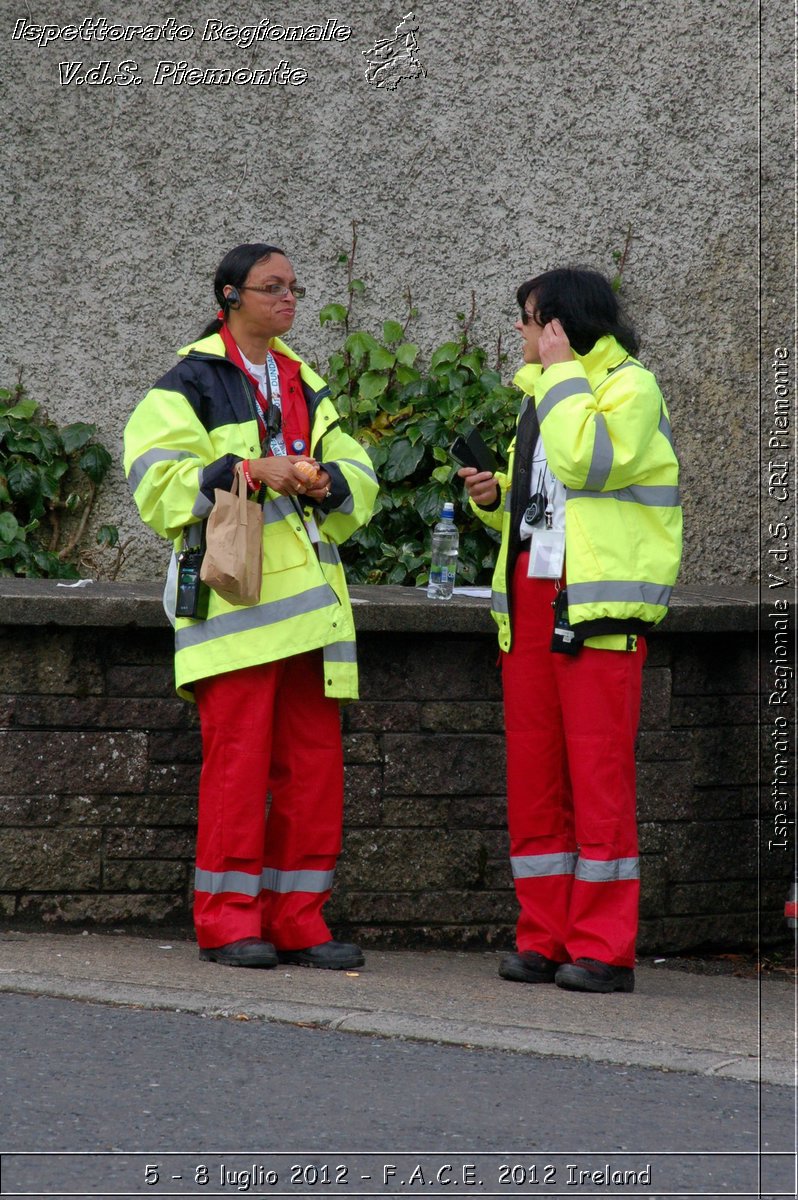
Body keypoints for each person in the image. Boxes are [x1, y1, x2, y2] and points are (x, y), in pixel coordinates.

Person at [124, 242, 378, 970]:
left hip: (310, 614)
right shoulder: (191, 380)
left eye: (294, 287)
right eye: (273, 287)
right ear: (230, 296)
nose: (288, 299)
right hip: (235, 614)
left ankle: (298, 920)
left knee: (312, 772)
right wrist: (244, 470)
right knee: (237, 775)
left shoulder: (304, 380)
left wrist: (326, 480)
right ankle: (230, 922)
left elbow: (358, 469)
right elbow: (154, 479)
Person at [460, 267, 682, 994]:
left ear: (559, 326)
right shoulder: (546, 394)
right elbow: (551, 514)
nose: (520, 334)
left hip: (595, 612)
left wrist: (557, 378)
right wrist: (497, 503)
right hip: (531, 602)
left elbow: (591, 465)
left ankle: (603, 948)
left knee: (597, 784)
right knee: (534, 780)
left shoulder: (628, 386)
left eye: (527, 320)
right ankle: (544, 937)